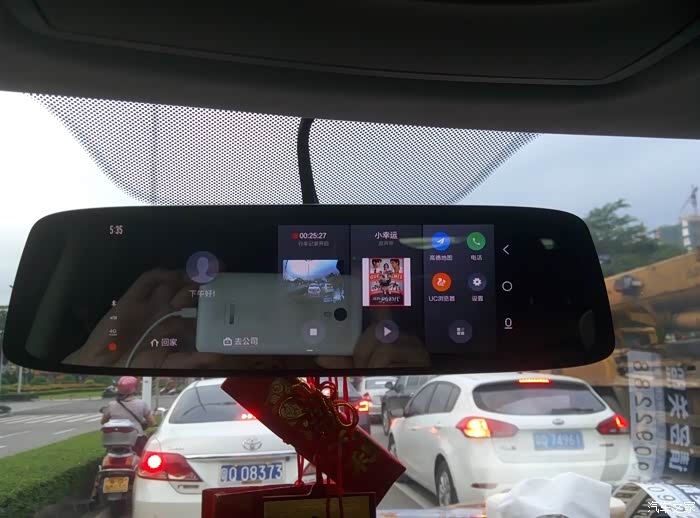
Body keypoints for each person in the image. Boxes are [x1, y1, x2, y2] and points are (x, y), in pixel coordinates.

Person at [101, 376, 156, 455]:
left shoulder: (111, 405)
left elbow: (103, 422)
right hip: (137, 439)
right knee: (143, 457)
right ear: (134, 388)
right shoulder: (141, 404)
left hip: (115, 441)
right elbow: (152, 423)